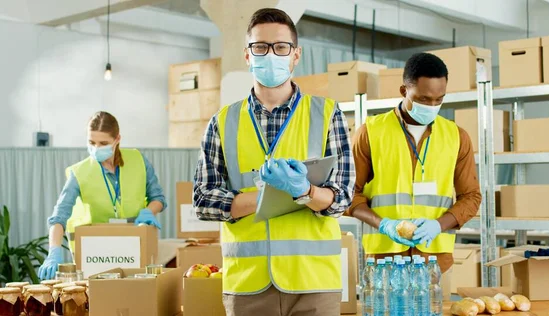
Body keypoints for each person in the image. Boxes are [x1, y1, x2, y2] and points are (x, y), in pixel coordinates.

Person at [193, 8, 355, 316]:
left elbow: (342, 196)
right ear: (247, 55)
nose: (271, 55)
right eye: (261, 47)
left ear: (296, 55)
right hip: (248, 285)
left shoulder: (327, 113)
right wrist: (269, 197)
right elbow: (203, 200)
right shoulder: (223, 121)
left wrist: (304, 189)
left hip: (314, 282)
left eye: (281, 47)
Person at [349, 52, 482, 296]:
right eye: (423, 99)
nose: (432, 106)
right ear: (403, 90)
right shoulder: (370, 132)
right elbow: (349, 194)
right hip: (383, 266)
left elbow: (471, 197)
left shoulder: (456, 136)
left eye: (439, 99)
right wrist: (385, 225)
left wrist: (437, 225)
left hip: (436, 265)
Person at [38, 111, 166, 280]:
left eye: (103, 143)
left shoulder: (138, 160)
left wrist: (149, 211)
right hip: (96, 253)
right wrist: (53, 251)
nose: (96, 148)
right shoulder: (79, 172)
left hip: (134, 245)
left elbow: (158, 198)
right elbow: (59, 216)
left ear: (117, 139)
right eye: (91, 142)